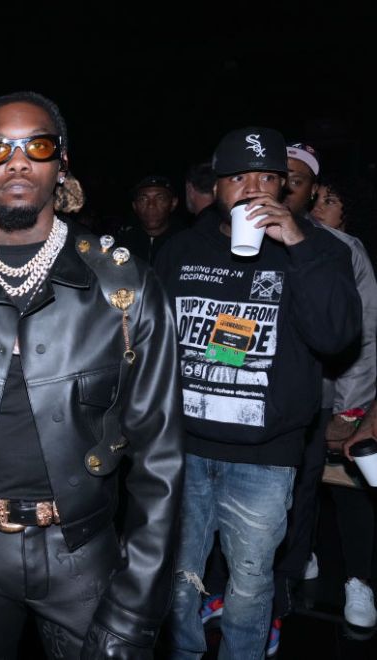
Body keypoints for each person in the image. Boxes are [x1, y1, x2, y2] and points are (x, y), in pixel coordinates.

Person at [0, 90, 183, 659]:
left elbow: (161, 461)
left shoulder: (126, 287)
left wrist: (135, 606)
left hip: (85, 551)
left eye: (37, 146)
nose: (17, 162)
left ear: (61, 163)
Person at [157, 126, 362, 659]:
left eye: (266, 178)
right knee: (179, 580)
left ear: (283, 186)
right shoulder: (181, 249)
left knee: (250, 587)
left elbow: (337, 338)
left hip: (265, 458)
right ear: (217, 185)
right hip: (182, 451)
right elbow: (150, 344)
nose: (252, 189)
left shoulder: (319, 250)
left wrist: (297, 244)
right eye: (238, 178)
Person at [313, 171, 377, 629]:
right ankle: (303, 559)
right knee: (300, 490)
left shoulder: (349, 250)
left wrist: (350, 412)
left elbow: (366, 335)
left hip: (342, 400)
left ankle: (359, 581)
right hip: (299, 399)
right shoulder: (290, 242)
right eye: (316, 198)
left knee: (351, 493)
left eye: (331, 201)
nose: (319, 208)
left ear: (347, 214)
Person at [118, 174, 183, 264]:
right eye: (143, 199)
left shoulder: (186, 243)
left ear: (173, 203)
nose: (151, 205)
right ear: (134, 206)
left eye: (160, 198)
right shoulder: (121, 244)